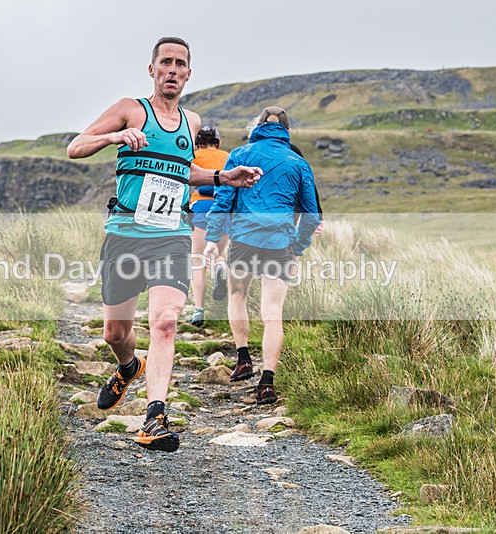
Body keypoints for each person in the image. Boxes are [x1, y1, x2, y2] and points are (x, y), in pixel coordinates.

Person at [67, 37, 262, 452]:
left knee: (166, 321)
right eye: (166, 62)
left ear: (189, 74)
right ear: (152, 69)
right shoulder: (130, 109)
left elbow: (183, 170)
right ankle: (127, 366)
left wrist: (223, 178)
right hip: (125, 233)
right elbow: (75, 147)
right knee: (115, 332)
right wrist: (114, 138)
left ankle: (154, 416)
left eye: (181, 64)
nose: (173, 69)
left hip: (172, 233)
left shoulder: (191, 122)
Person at [204, 106, 320, 404]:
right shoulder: (298, 162)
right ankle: (266, 382)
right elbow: (311, 214)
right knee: (272, 313)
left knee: (237, 296)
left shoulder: (240, 155)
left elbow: (223, 200)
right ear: (287, 131)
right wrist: (297, 246)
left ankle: (243, 358)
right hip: (279, 242)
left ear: (256, 126)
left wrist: (213, 239)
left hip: (243, 239)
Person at [187, 125, 230, 327]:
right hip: (225, 208)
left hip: (202, 205)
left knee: (198, 261)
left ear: (199, 143)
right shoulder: (228, 156)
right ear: (218, 142)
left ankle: (199, 310)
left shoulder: (194, 155)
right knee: (215, 253)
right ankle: (220, 267)